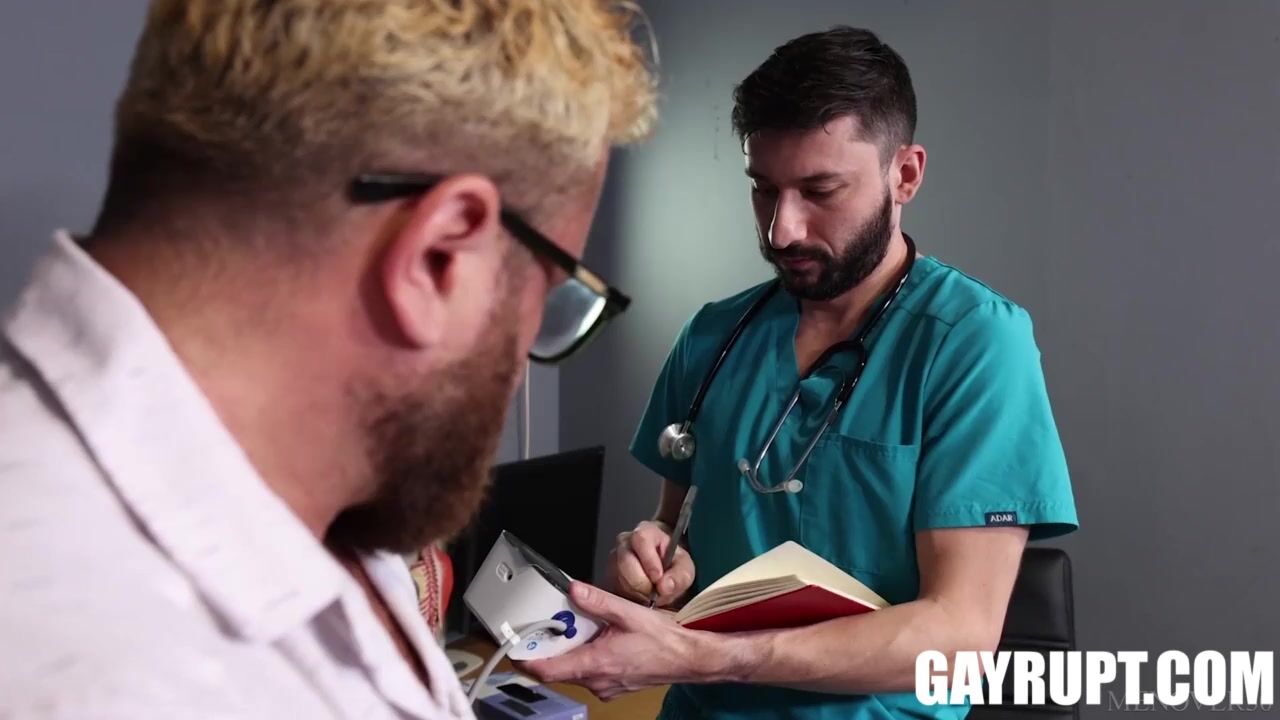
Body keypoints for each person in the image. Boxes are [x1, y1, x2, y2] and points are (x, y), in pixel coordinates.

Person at [0, 1, 656, 718]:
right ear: (440, 258)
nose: (524, 362)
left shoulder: (329, 486)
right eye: (548, 301)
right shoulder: (99, 672)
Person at [523, 25, 1078, 719]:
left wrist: (712, 657)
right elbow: (675, 532)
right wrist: (652, 565)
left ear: (905, 175)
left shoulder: (974, 343)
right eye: (764, 189)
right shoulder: (714, 336)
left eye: (820, 190)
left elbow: (959, 636)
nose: (781, 230)